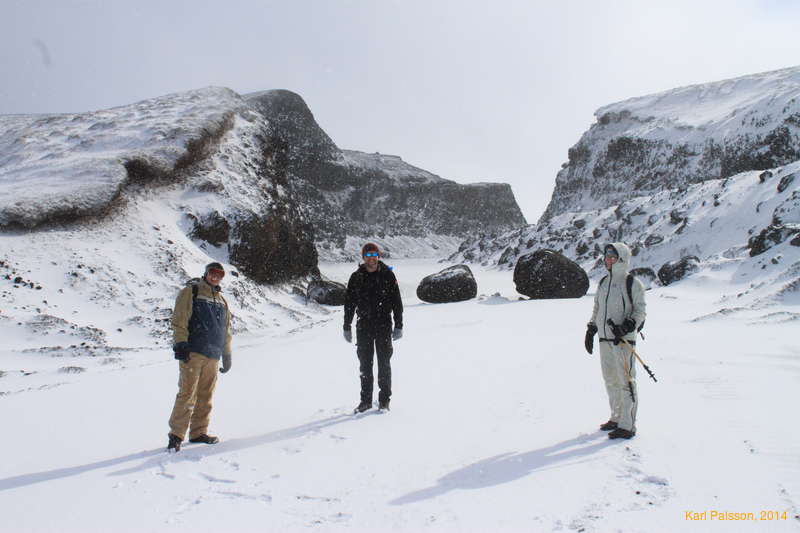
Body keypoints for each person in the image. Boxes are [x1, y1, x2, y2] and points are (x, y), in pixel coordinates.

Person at [167, 262, 233, 452]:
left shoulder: (222, 300)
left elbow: (226, 329)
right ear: (206, 273)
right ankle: (176, 435)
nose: (215, 277)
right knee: (187, 393)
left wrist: (226, 353)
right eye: (212, 273)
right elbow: (179, 319)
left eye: (219, 274)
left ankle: (198, 432)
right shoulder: (192, 292)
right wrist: (180, 343)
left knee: (206, 395)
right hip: (193, 352)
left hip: (213, 355)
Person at [584, 242, 646, 440]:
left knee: (626, 381)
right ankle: (616, 417)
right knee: (610, 379)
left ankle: (628, 425)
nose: (608, 260)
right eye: (606, 256)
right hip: (604, 340)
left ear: (622, 258)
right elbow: (597, 309)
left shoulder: (632, 283)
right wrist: (591, 328)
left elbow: (640, 311)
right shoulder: (603, 282)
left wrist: (628, 326)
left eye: (613, 256)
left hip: (623, 341)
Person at [343, 243, 403, 413]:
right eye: (368, 255)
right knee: (365, 366)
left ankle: (384, 401)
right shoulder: (356, 277)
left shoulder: (388, 275)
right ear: (363, 257)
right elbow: (349, 303)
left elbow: (397, 302)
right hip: (364, 326)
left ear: (378, 256)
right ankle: (365, 401)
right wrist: (346, 325)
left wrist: (399, 325)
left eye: (374, 254)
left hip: (384, 325)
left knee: (384, 364)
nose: (371, 258)